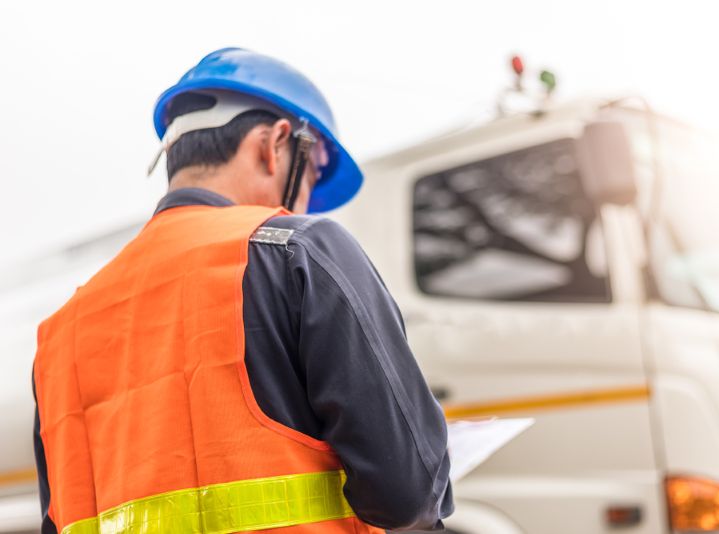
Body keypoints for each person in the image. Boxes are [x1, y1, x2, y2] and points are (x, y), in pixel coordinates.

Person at [32, 48, 453, 534]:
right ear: (272, 144)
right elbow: (407, 495)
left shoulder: (59, 336)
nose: (306, 201)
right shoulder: (298, 250)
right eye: (312, 173)